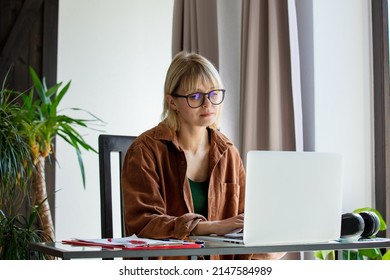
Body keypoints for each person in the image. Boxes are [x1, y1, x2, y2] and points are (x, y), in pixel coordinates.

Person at [121, 51, 284, 260]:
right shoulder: (144, 151)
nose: (208, 104)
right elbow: (143, 223)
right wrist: (212, 227)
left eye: (214, 94)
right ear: (172, 102)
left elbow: (246, 222)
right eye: (195, 96)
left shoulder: (228, 152)